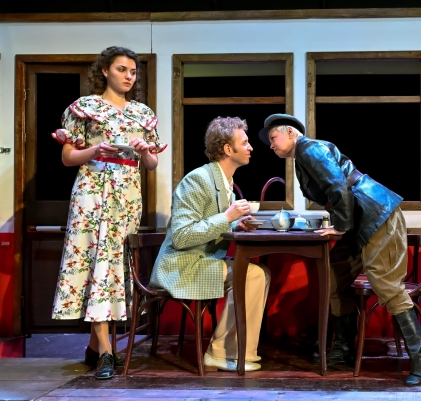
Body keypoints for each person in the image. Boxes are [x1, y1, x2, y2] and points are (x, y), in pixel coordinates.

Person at [258, 114, 421, 386]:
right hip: (358, 220)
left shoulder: (310, 148)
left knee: (385, 283)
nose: (270, 145)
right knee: (336, 274)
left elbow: (338, 186)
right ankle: (343, 348)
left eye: (273, 138)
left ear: (290, 133)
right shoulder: (301, 157)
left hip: (376, 214)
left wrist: (339, 227)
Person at [51, 46, 165, 380]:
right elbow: (67, 157)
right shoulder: (85, 108)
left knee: (114, 266)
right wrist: (93, 150)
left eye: (133, 71)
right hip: (92, 191)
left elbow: (152, 164)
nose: (128, 76)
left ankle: (94, 346)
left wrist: (144, 151)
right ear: (104, 71)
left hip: (127, 195)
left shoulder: (141, 113)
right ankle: (105, 350)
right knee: (94, 262)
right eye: (121, 69)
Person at [150, 116, 270, 372]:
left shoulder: (225, 184)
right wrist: (227, 217)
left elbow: (209, 225)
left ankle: (239, 351)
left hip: (203, 261)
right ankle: (220, 353)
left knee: (260, 273)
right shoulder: (199, 180)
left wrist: (236, 225)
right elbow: (182, 236)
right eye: (245, 142)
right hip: (182, 266)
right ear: (228, 149)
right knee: (254, 275)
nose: (250, 147)